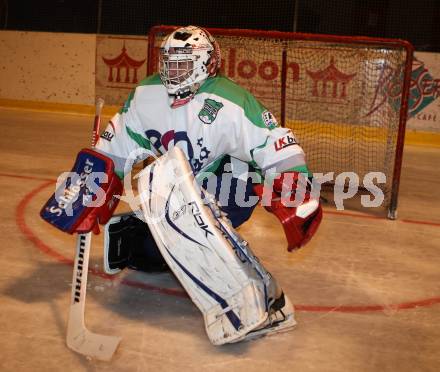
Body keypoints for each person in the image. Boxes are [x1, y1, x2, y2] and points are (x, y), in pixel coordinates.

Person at [41, 25, 322, 344]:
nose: (172, 70)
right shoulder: (147, 94)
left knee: (187, 214)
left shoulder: (230, 100)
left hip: (231, 187)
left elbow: (274, 142)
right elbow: (114, 147)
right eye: (169, 61)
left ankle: (266, 302)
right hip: (178, 186)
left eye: (183, 62)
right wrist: (90, 185)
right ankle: (149, 240)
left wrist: (294, 184)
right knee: (148, 251)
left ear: (207, 63)